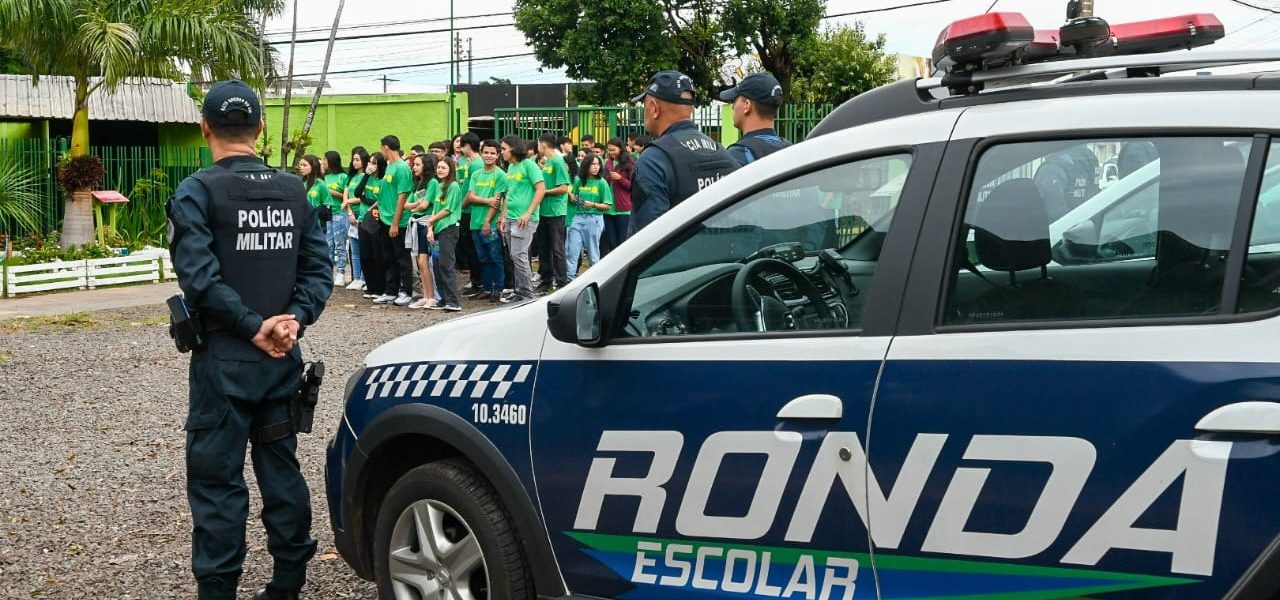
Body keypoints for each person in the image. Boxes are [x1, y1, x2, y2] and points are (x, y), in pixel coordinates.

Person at [166, 80, 331, 600]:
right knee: (280, 469)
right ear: (260, 128)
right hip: (282, 360)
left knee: (217, 482)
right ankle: (289, 582)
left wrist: (251, 326)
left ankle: (219, 589)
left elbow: (199, 277)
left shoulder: (198, 191)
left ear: (205, 127)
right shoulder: (293, 190)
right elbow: (318, 270)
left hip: (225, 363)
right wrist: (292, 322)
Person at [629, 70, 738, 234]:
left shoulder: (654, 160)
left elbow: (647, 237)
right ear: (691, 108)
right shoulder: (723, 153)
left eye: (645, 104)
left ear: (654, 108)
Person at [498, 135, 545, 303]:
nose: (501, 152)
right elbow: (509, 193)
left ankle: (526, 294)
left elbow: (541, 189)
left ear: (514, 148)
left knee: (519, 255)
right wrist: (503, 216)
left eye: (504, 149)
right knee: (514, 256)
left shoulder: (529, 165)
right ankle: (519, 290)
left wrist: (528, 213)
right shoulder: (511, 167)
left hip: (524, 219)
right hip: (511, 218)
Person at [375, 135, 415, 306]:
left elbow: (402, 196)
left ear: (386, 147)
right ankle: (391, 290)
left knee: (402, 257)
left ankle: (406, 291)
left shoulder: (402, 168)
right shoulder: (390, 167)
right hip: (385, 218)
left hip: (398, 221)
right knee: (388, 256)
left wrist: (395, 222)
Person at [721, 72, 792, 166]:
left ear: (747, 105)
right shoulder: (791, 150)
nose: (733, 106)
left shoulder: (738, 155)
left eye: (735, 100)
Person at [465, 142, 507, 302]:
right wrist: (486, 200)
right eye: (486, 152)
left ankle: (498, 289)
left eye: (492, 153)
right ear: (481, 153)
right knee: (483, 258)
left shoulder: (500, 175)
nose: (489, 156)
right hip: (475, 223)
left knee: (495, 257)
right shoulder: (476, 174)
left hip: (490, 225)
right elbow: (470, 196)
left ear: (498, 155)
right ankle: (487, 288)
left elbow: (496, 202)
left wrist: (487, 221)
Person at [423, 158, 465, 311]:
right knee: (436, 264)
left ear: (450, 170)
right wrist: (430, 228)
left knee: (446, 264)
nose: (440, 170)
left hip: (449, 229)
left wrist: (431, 220)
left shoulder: (453, 186)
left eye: (444, 168)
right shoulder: (439, 186)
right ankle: (443, 298)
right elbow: (435, 208)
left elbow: (448, 209)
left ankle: (453, 302)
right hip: (437, 230)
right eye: (439, 167)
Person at [566, 154, 612, 281]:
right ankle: (569, 280)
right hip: (577, 217)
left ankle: (595, 280)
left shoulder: (602, 183)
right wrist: (572, 196)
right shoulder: (578, 181)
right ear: (586, 165)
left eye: (598, 164)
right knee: (572, 250)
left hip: (594, 218)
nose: (596, 167)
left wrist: (593, 205)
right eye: (593, 164)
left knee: (593, 252)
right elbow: (574, 198)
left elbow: (607, 205)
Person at [535, 133, 572, 292]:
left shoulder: (557, 161)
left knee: (557, 249)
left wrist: (545, 192)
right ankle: (546, 280)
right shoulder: (548, 162)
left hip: (556, 212)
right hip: (544, 211)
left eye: (538, 144)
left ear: (543, 144)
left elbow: (563, 188)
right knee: (544, 248)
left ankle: (562, 281)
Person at [404, 153, 438, 308]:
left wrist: (415, 205)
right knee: (419, 262)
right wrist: (416, 205)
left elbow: (425, 205)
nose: (414, 168)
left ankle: (432, 296)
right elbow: (407, 204)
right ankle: (425, 295)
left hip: (425, 223)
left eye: (417, 165)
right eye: (414, 165)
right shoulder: (417, 183)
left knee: (425, 262)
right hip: (416, 223)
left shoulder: (432, 183)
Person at [455, 133, 485, 296]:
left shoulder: (476, 164)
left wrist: (461, 207)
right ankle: (475, 280)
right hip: (467, 210)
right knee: (470, 247)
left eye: (462, 145)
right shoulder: (471, 163)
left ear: (468, 146)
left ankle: (478, 282)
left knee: (474, 248)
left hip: (471, 210)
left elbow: (472, 191)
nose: (460, 149)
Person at [356, 152, 388, 300]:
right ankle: (370, 286)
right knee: (365, 255)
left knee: (377, 255)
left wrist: (367, 200)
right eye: (369, 162)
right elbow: (358, 193)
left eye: (374, 163)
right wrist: (366, 175)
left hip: (376, 220)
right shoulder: (367, 177)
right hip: (363, 219)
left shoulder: (383, 180)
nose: (371, 165)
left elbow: (380, 199)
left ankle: (380, 287)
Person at [341, 147, 369, 291]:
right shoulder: (350, 177)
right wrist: (349, 212)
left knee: (364, 248)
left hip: (363, 214)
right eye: (353, 159)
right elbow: (345, 195)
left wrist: (348, 202)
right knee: (354, 249)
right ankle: (356, 278)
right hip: (351, 215)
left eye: (358, 160)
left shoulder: (366, 177)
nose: (355, 162)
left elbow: (362, 197)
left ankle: (365, 278)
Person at [601, 137, 634, 255]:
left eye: (613, 150)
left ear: (621, 148)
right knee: (611, 242)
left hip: (623, 209)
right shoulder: (608, 163)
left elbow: (633, 186)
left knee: (622, 242)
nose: (611, 152)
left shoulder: (629, 163)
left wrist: (620, 178)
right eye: (609, 150)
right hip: (608, 208)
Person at [322, 151, 349, 285]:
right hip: (328, 213)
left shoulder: (343, 177)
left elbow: (346, 196)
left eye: (325, 159)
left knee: (340, 243)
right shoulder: (325, 177)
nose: (323, 162)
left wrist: (334, 193)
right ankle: (329, 272)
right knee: (328, 243)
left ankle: (341, 271)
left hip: (340, 212)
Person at [298, 155, 324, 223]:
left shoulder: (320, 183)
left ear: (313, 166)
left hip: (316, 222)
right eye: (300, 165)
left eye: (304, 165)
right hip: (300, 220)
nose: (301, 167)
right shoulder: (298, 182)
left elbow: (327, 204)